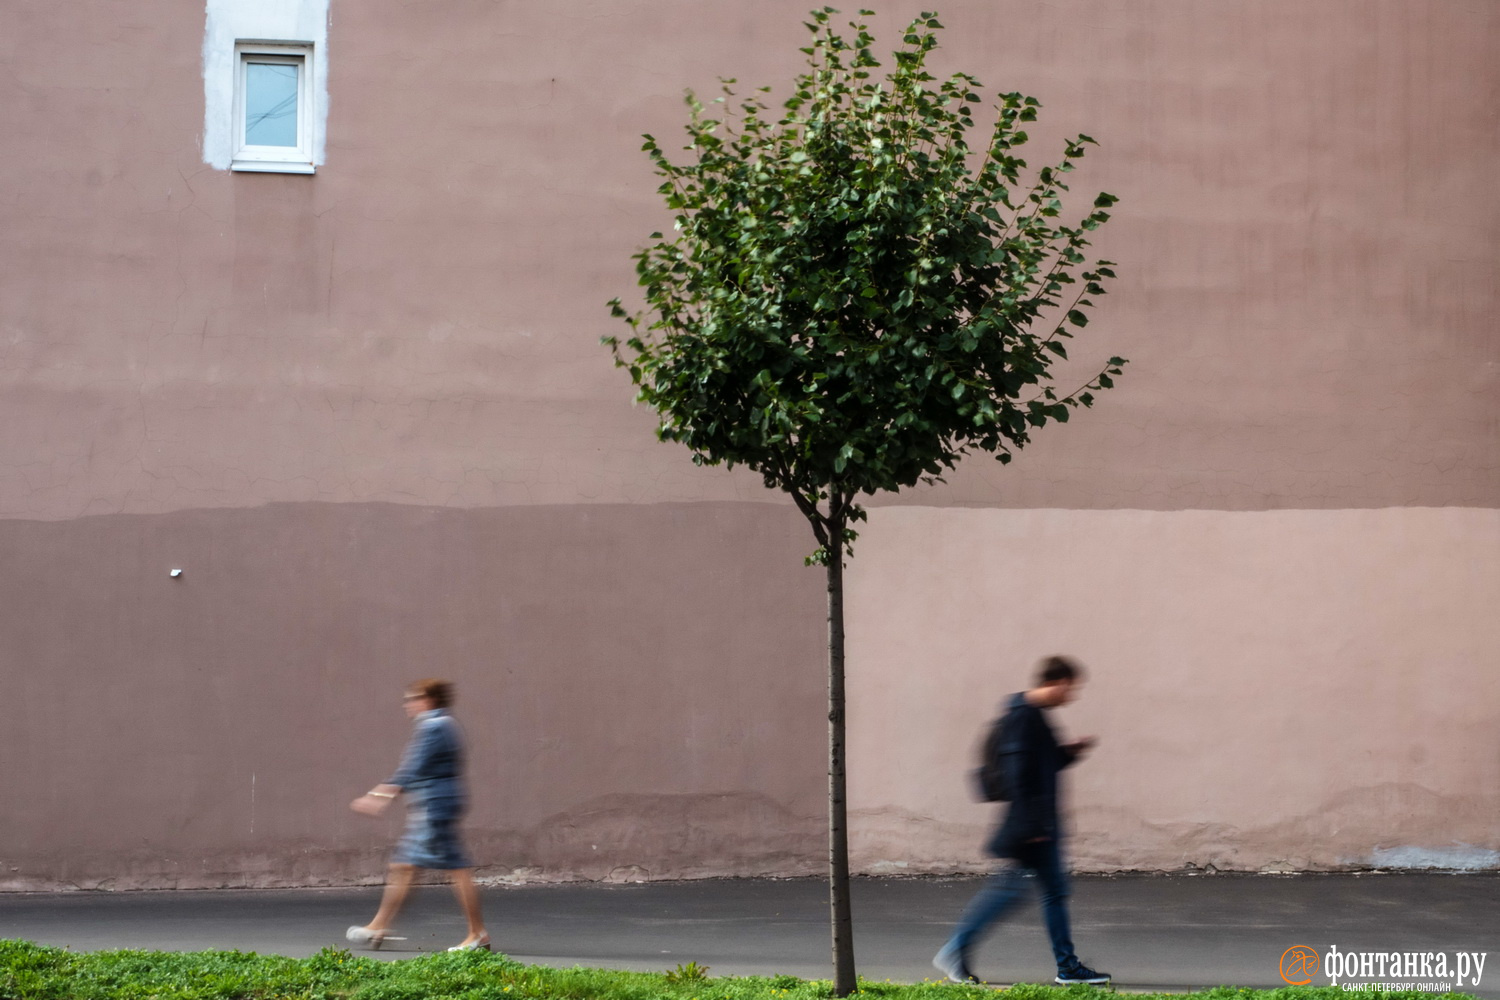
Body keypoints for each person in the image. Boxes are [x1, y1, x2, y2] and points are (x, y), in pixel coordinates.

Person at [932, 655, 1110, 986]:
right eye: (1071, 688)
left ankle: (1067, 967)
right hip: (1031, 827)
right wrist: (1033, 827)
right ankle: (955, 949)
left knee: (1051, 892)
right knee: (1009, 891)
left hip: (1041, 825)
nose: (1072, 696)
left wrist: (1070, 752)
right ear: (1057, 683)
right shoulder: (1023, 717)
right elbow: (1018, 777)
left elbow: (1043, 765)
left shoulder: (1037, 718)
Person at [346, 678, 490, 952]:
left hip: (434, 808)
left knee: (455, 868)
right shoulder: (442, 725)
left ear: (429, 700)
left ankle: (477, 934)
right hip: (433, 806)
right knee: (403, 866)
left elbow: (412, 769)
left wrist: (378, 796)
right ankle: (378, 925)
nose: (407, 705)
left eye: (412, 699)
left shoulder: (434, 728)